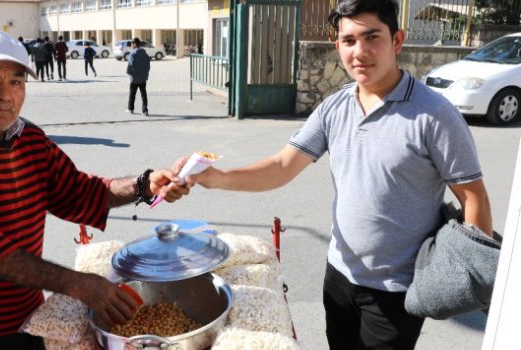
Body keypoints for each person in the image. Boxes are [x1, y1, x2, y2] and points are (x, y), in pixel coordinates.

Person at [182, 0, 493, 349]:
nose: (359, 52)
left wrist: (473, 276)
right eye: (348, 40)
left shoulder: (435, 115)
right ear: (338, 46)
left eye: (372, 37)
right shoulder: (334, 107)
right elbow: (283, 166)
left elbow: (473, 196)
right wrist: (216, 177)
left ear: (397, 40)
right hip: (340, 276)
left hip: (397, 291)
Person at [0, 31, 189, 350]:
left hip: (25, 320)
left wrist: (142, 184)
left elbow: (77, 191)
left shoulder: (30, 139)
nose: (5, 95)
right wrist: (79, 284)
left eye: (16, 81)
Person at [126, 37, 150, 116]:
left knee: (132, 94)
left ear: (135, 44)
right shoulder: (145, 54)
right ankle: (145, 110)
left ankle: (130, 108)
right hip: (143, 78)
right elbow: (148, 66)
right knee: (143, 94)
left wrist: (129, 73)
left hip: (134, 78)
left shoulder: (133, 54)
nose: (131, 45)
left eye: (132, 44)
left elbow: (130, 66)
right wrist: (145, 74)